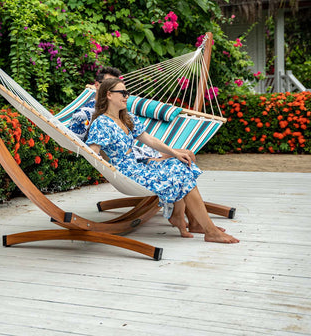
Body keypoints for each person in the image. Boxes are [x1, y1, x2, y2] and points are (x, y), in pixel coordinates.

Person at [86, 78, 239, 243]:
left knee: (181, 163)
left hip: (138, 165)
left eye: (127, 93)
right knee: (180, 172)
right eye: (122, 93)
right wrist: (108, 170)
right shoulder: (101, 123)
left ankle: (195, 223)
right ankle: (209, 230)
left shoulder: (126, 118)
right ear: (109, 95)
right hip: (127, 172)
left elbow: (150, 140)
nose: (126, 96)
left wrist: (175, 153)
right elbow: (93, 153)